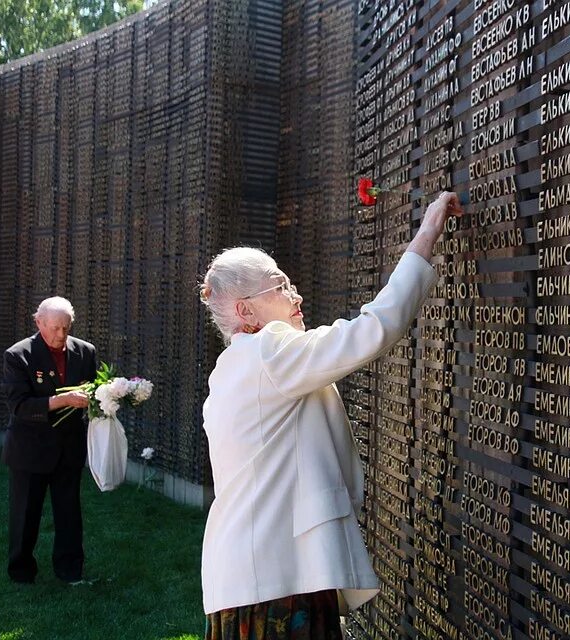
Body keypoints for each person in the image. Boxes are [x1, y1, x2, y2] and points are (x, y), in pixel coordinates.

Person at [198, 192, 463, 638]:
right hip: (278, 577)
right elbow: (372, 330)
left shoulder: (233, 368)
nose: (294, 294)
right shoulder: (269, 350)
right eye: (279, 286)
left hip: (252, 576)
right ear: (245, 311)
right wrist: (427, 232)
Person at [1, 296, 97, 584]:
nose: (60, 335)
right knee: (25, 513)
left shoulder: (85, 352)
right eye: (54, 328)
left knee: (69, 513)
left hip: (69, 447)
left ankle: (70, 571)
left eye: (66, 328)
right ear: (38, 322)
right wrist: (62, 400)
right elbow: (19, 406)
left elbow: (93, 391)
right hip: (30, 448)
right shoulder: (18, 355)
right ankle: (21, 572)